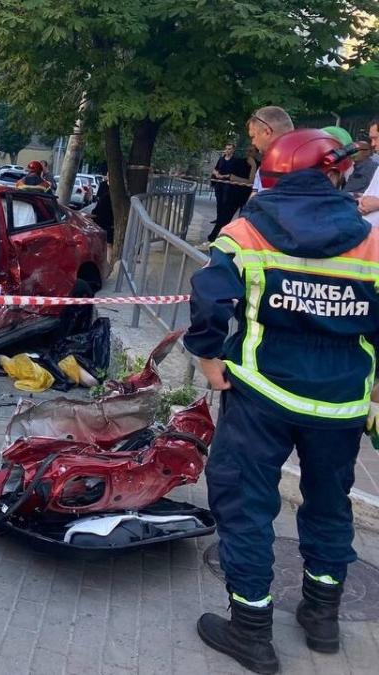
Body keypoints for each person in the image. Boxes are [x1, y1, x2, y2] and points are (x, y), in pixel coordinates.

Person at [185, 129, 371, 674]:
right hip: (340, 402)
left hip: (261, 394)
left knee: (246, 506)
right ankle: (322, 618)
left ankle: (250, 630)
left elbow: (210, 298)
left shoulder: (245, 232)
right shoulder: (371, 240)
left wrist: (208, 358)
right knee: (329, 506)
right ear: (333, 173)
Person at [246, 106, 295, 196]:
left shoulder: (305, 167)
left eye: (253, 136)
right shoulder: (264, 168)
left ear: (267, 132)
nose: (253, 143)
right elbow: (253, 199)